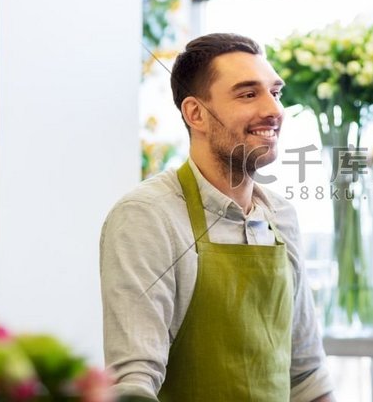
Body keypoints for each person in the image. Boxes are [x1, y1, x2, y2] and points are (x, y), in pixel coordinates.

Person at [100, 33, 335, 401]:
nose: (274, 110)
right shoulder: (148, 216)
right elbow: (134, 381)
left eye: (275, 92)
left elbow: (306, 375)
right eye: (247, 94)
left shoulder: (281, 217)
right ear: (196, 114)